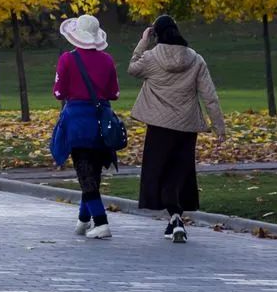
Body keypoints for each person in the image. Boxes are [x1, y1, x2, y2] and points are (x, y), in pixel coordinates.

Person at [129, 14, 226, 243]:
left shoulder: (151, 58)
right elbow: (209, 96)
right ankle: (175, 218)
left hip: (160, 125)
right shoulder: (195, 59)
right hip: (186, 125)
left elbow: (133, 68)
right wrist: (218, 127)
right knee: (179, 171)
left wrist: (143, 42)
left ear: (157, 34)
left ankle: (174, 217)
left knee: (159, 170)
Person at [49, 14, 121, 239]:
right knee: (93, 172)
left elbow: (59, 92)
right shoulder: (108, 60)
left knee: (85, 173)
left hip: (77, 123)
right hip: (102, 122)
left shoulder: (67, 59)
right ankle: (83, 219)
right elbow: (113, 93)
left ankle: (101, 222)